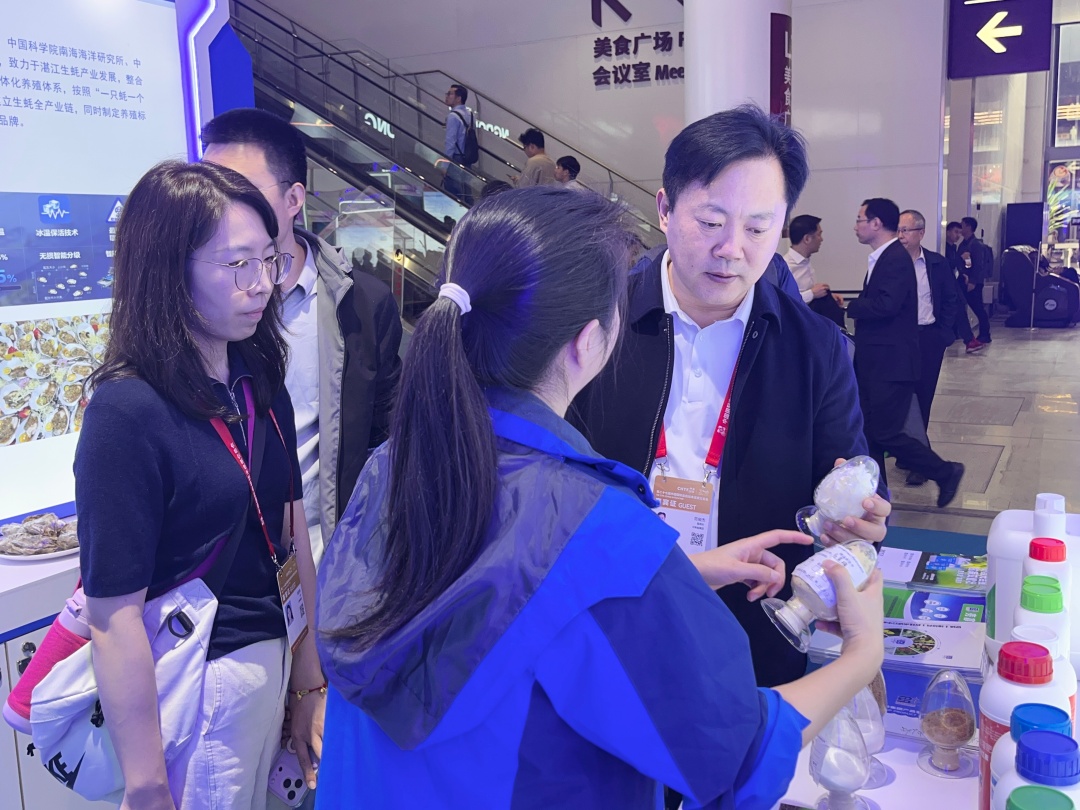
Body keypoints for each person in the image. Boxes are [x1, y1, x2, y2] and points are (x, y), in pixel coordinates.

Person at [315, 186, 885, 809]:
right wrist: (861, 655)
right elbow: (736, 755)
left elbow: (487, 600)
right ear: (589, 340)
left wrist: (677, 575)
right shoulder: (597, 533)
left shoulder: (394, 463)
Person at [569, 105, 890, 690]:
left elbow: (852, 470)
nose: (731, 249)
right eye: (711, 221)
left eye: (758, 228)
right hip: (606, 619)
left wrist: (860, 518)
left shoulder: (815, 348)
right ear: (664, 209)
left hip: (750, 632)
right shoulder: (595, 324)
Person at [77, 161, 325, 809]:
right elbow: (113, 615)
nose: (261, 283)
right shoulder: (127, 411)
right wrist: (146, 782)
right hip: (199, 689)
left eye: (268, 259)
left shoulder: (256, 375)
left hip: (271, 671)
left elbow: (292, 536)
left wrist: (309, 682)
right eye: (237, 264)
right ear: (168, 272)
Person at [202, 108, 403, 565]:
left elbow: (388, 433)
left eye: (241, 191)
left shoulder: (361, 303)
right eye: (209, 189)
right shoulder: (196, 307)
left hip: (330, 549)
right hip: (226, 563)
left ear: (294, 198)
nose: (221, 207)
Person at [848, 198, 965, 505]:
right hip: (878, 362)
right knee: (869, 433)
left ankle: (944, 471)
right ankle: (876, 498)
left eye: (860, 219)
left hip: (891, 364)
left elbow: (887, 305)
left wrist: (853, 306)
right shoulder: (884, 257)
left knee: (885, 433)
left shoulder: (894, 259)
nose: (856, 226)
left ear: (876, 224)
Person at [895, 209, 960, 486]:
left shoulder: (936, 263)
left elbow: (951, 298)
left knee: (922, 398)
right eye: (898, 230)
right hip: (899, 341)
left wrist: (943, 334)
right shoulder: (888, 263)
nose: (900, 235)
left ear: (920, 233)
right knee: (900, 397)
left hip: (928, 338)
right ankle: (909, 451)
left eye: (906, 230)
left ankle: (919, 461)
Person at [783, 213, 846, 328]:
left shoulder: (806, 262)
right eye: (819, 234)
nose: (821, 239)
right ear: (807, 239)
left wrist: (825, 295)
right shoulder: (786, 267)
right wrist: (812, 294)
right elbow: (785, 303)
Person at [957, 215, 992, 352]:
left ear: (969, 227)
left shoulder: (975, 245)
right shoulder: (964, 244)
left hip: (973, 283)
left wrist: (973, 281)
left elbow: (978, 265)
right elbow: (966, 263)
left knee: (978, 308)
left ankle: (985, 334)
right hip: (964, 280)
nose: (960, 228)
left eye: (962, 225)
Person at [441, 84, 475, 203]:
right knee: (467, 191)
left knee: (454, 194)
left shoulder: (453, 117)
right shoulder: (470, 114)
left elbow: (450, 143)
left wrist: (445, 165)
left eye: (450, 94)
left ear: (459, 98)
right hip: (468, 157)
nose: (447, 96)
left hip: (455, 158)